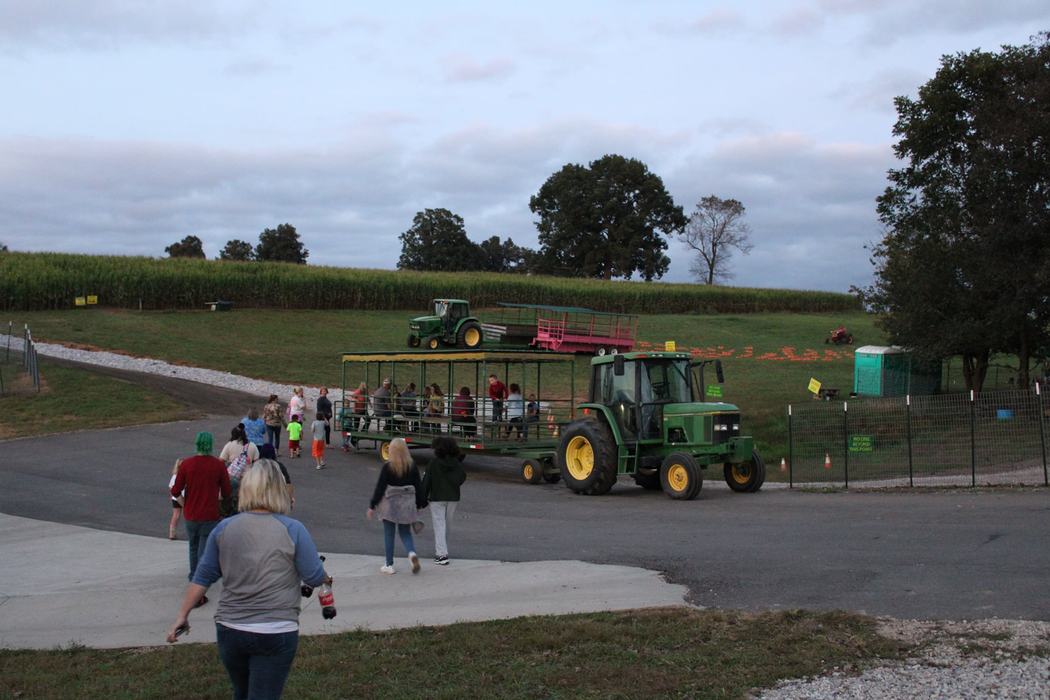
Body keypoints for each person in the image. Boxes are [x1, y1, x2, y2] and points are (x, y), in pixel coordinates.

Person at [166, 460, 331, 700]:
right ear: (280, 490)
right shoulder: (293, 529)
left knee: (241, 692)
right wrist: (326, 578)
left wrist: (182, 615)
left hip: (231, 630)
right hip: (276, 630)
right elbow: (314, 576)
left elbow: (203, 577)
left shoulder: (224, 528)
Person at [171, 432, 231, 591]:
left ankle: (193, 578)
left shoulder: (187, 465)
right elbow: (226, 492)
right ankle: (199, 585)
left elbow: (176, 490)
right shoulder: (218, 465)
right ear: (211, 445)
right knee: (204, 551)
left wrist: (184, 503)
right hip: (210, 514)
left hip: (191, 514)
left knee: (193, 547)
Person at [367, 438, 427, 575]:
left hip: (390, 505)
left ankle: (389, 564)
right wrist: (420, 504)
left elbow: (380, 487)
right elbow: (418, 486)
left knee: (389, 534)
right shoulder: (411, 466)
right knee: (405, 532)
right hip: (407, 505)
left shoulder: (388, 467)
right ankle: (412, 554)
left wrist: (372, 505)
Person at [422, 437, 467, 565]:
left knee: (439, 525)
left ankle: (442, 554)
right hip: (453, 497)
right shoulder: (457, 463)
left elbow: (426, 483)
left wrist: (421, 500)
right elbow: (462, 477)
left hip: (436, 497)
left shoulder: (433, 463)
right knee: (447, 525)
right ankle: (443, 550)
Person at [259, 443, 294, 510]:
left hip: (259, 500)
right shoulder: (280, 466)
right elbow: (288, 484)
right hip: (276, 500)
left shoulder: (257, 466)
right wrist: (290, 500)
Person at [168, 459, 184, 540]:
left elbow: (171, 487)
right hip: (184, 497)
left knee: (176, 515)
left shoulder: (174, 475)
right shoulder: (185, 475)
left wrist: (171, 495)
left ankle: (172, 532)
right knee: (188, 514)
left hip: (175, 497)